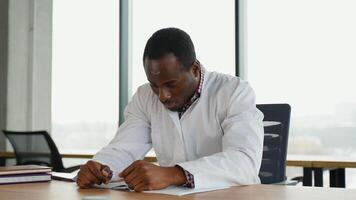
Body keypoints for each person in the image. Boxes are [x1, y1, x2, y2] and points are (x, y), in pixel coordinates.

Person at [76, 27, 264, 191]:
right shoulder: (144, 96)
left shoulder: (234, 91)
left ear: (195, 69)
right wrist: (101, 167)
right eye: (154, 85)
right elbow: (124, 148)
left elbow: (244, 162)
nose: (162, 96)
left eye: (171, 84)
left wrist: (174, 174)